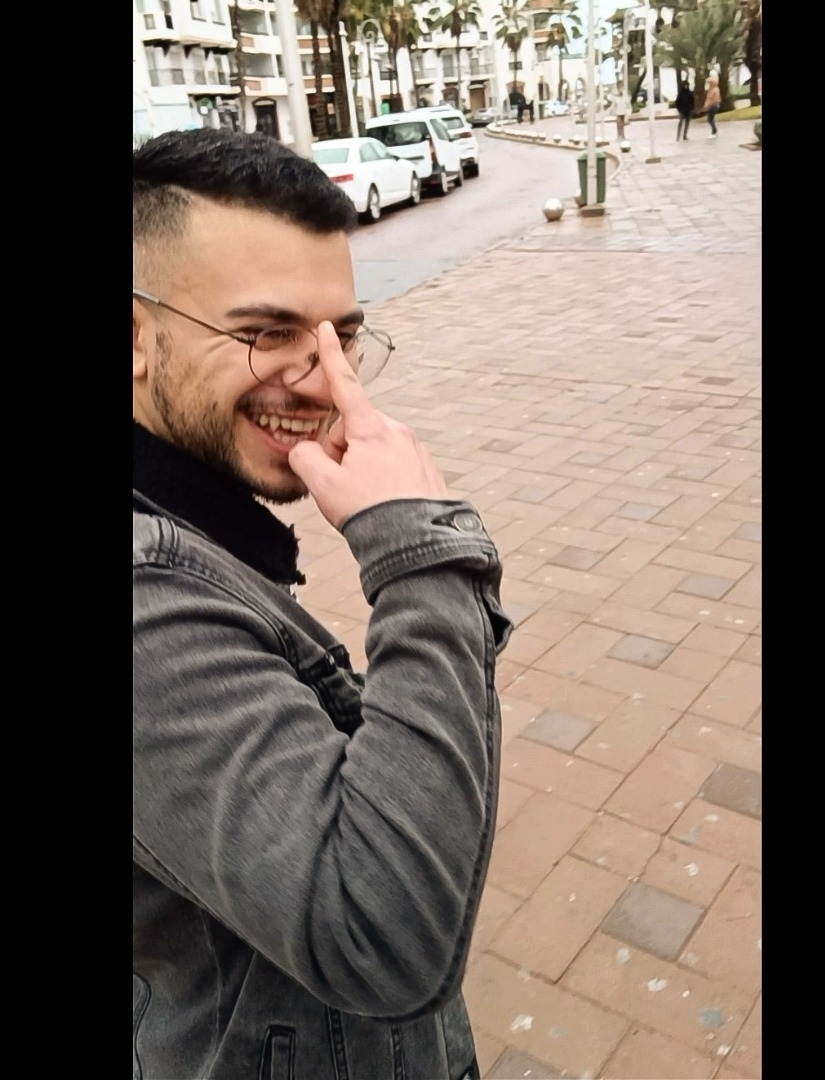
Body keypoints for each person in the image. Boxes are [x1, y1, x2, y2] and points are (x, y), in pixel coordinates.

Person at [133, 128, 512, 1080]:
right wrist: (418, 555)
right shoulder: (145, 606)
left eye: (340, 336)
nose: (322, 381)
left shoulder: (199, 520)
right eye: (266, 332)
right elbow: (383, 937)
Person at [705, 73, 722, 138]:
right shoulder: (713, 89)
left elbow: (712, 99)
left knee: (709, 119)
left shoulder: (714, 90)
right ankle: (714, 131)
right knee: (711, 119)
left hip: (713, 105)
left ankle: (714, 131)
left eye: (710, 83)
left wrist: (707, 105)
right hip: (714, 105)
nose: (709, 84)